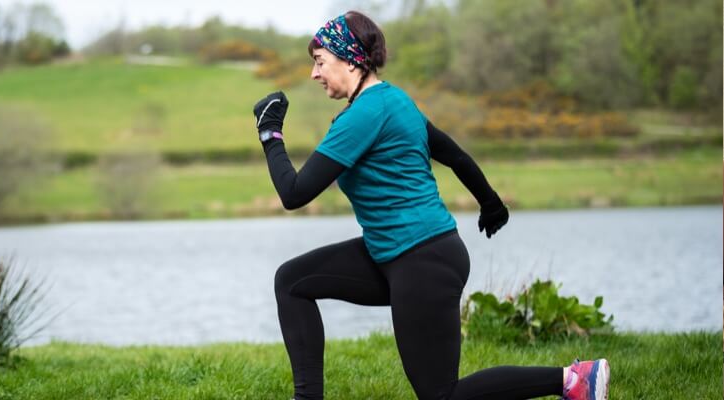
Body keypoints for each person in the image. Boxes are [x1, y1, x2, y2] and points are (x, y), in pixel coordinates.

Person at [250, 11, 609, 400]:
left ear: (350, 58)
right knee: (293, 281)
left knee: (440, 395)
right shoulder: (395, 101)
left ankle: (574, 380)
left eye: (320, 62)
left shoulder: (365, 115)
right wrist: (490, 203)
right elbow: (454, 155)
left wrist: (271, 134)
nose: (314, 74)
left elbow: (294, 193)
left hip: (421, 260)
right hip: (398, 254)